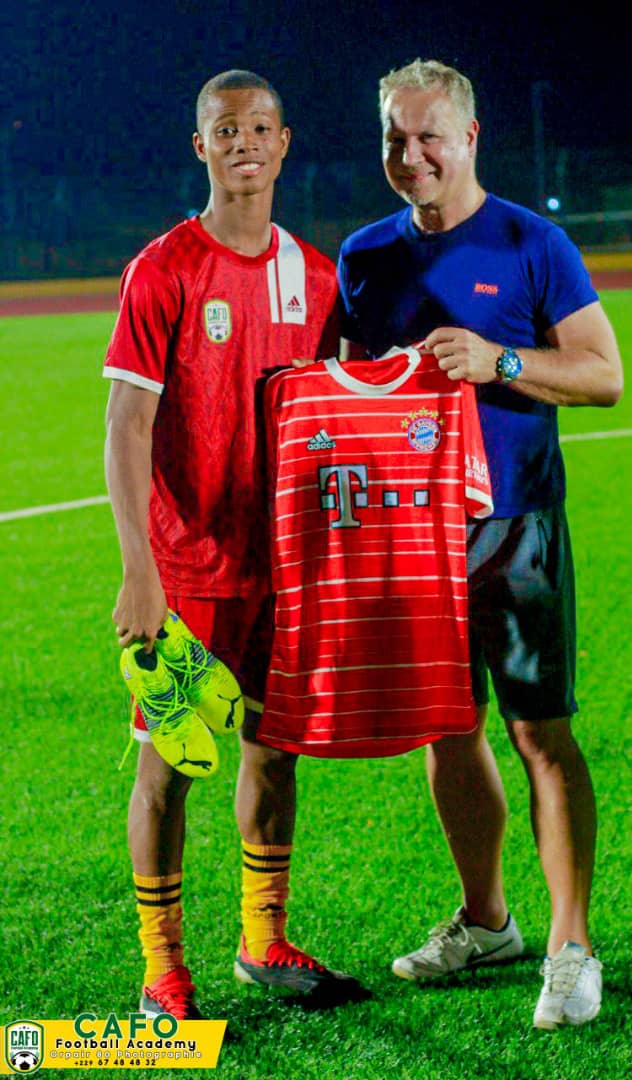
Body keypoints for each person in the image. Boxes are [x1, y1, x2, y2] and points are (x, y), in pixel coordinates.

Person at [336, 59, 623, 1030]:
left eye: (428, 136)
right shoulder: (364, 256)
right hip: (411, 535)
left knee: (539, 733)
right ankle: (486, 920)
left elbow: (603, 375)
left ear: (468, 137)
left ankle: (570, 946)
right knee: (446, 729)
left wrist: (497, 359)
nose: (409, 154)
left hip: (516, 526)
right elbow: (347, 394)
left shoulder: (531, 241)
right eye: (394, 137)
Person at [104, 68, 350, 1019]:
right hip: (188, 572)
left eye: (259, 127)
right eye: (225, 128)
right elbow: (127, 426)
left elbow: (333, 424)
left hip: (285, 569)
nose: (243, 141)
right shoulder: (163, 268)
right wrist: (140, 570)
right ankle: (162, 967)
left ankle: (262, 937)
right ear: (200, 145)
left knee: (275, 751)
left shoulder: (317, 277)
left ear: (283, 143)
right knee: (167, 769)